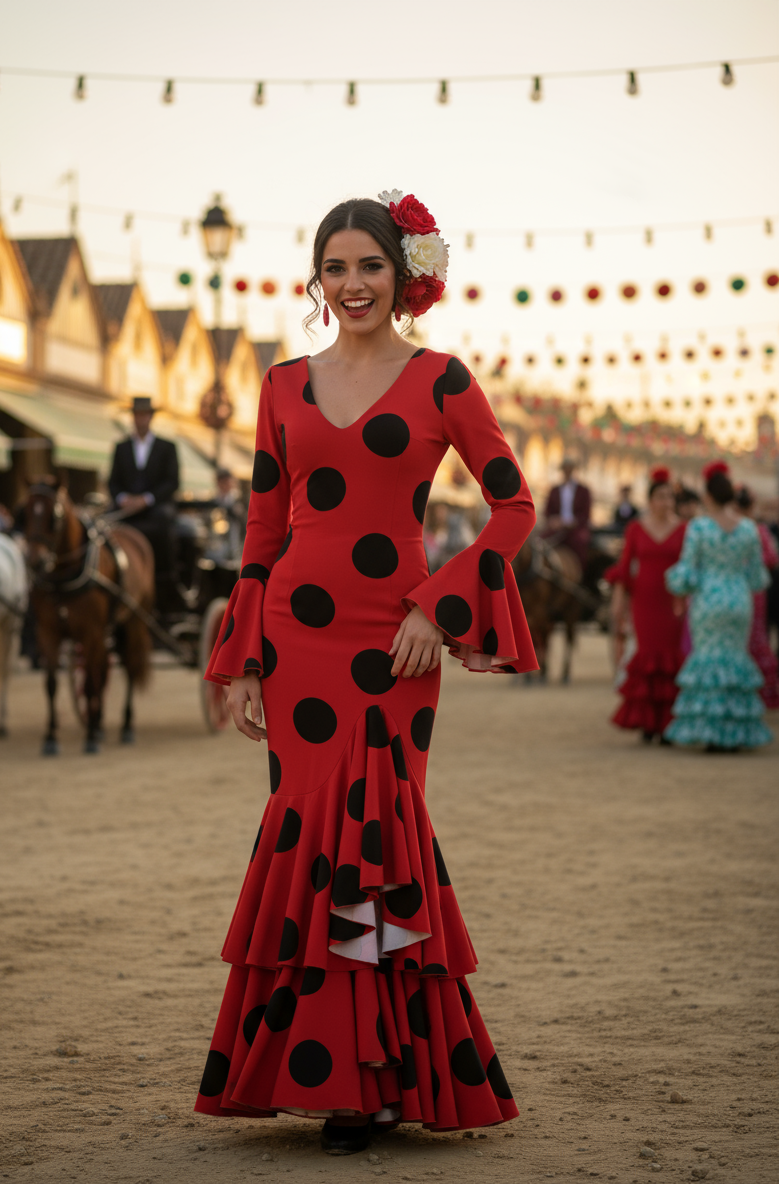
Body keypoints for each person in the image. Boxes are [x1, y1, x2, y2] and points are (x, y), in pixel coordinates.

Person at [195, 191, 537, 1152]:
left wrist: (439, 605)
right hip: (293, 643)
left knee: (379, 829)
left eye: (370, 266)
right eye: (335, 268)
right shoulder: (280, 386)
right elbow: (263, 532)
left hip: (395, 643)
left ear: (404, 274)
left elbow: (514, 508)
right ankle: (334, 1073)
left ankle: (376, 1078)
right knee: (306, 833)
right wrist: (243, 662)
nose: (352, 284)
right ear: (317, 278)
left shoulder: (442, 379)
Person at [664, 461, 772, 751]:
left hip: (708, 600)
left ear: (708, 496)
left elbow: (687, 571)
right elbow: (758, 576)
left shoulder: (699, 527)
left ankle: (712, 731)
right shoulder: (748, 528)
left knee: (709, 660)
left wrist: (678, 583)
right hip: (738, 599)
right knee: (735, 659)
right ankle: (734, 731)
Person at [607, 467, 686, 742]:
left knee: (671, 658)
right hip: (644, 600)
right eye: (661, 496)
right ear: (651, 500)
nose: (666, 502)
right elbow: (625, 567)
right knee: (646, 656)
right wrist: (619, 602)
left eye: (670, 497)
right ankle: (647, 722)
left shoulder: (685, 529)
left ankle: (669, 723)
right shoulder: (636, 528)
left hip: (674, 601)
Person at [108, 396, 179, 601]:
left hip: (155, 507)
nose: (140, 419)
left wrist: (146, 499)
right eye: (137, 415)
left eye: (144, 415)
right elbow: (113, 481)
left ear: (150, 417)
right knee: (105, 523)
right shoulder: (121, 447)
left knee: (164, 522)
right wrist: (122, 498)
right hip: (126, 506)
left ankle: (166, 577)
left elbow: (172, 482)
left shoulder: (166, 447)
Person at [735, 485, 779, 709]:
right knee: (756, 635)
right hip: (754, 591)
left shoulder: (733, 528)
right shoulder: (757, 530)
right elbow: (771, 558)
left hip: (735, 589)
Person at [543, 458, 591, 569]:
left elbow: (585, 514)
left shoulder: (583, 491)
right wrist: (553, 520)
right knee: (540, 542)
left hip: (576, 528)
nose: (567, 472)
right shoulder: (554, 490)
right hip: (557, 528)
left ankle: (581, 571)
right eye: (565, 469)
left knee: (580, 543)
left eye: (569, 469)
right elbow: (548, 511)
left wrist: (572, 522)